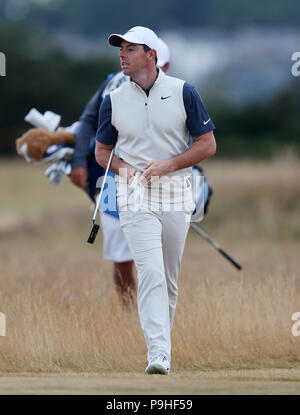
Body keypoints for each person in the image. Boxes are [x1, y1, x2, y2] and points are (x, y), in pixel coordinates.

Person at [95, 26, 216, 375]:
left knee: (169, 278)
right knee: (149, 271)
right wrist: (125, 169)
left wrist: (168, 165)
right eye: (121, 49)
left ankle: (161, 346)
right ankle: (158, 354)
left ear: (151, 55)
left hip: (177, 192)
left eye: (130, 49)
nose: (122, 54)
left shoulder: (183, 92)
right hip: (133, 196)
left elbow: (207, 144)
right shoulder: (113, 100)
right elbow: (102, 153)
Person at [70, 38, 172, 306]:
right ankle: (131, 314)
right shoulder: (113, 84)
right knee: (121, 254)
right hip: (112, 179)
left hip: (156, 178)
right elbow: (87, 121)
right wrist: (79, 162)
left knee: (157, 252)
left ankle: (157, 311)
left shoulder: (176, 92)